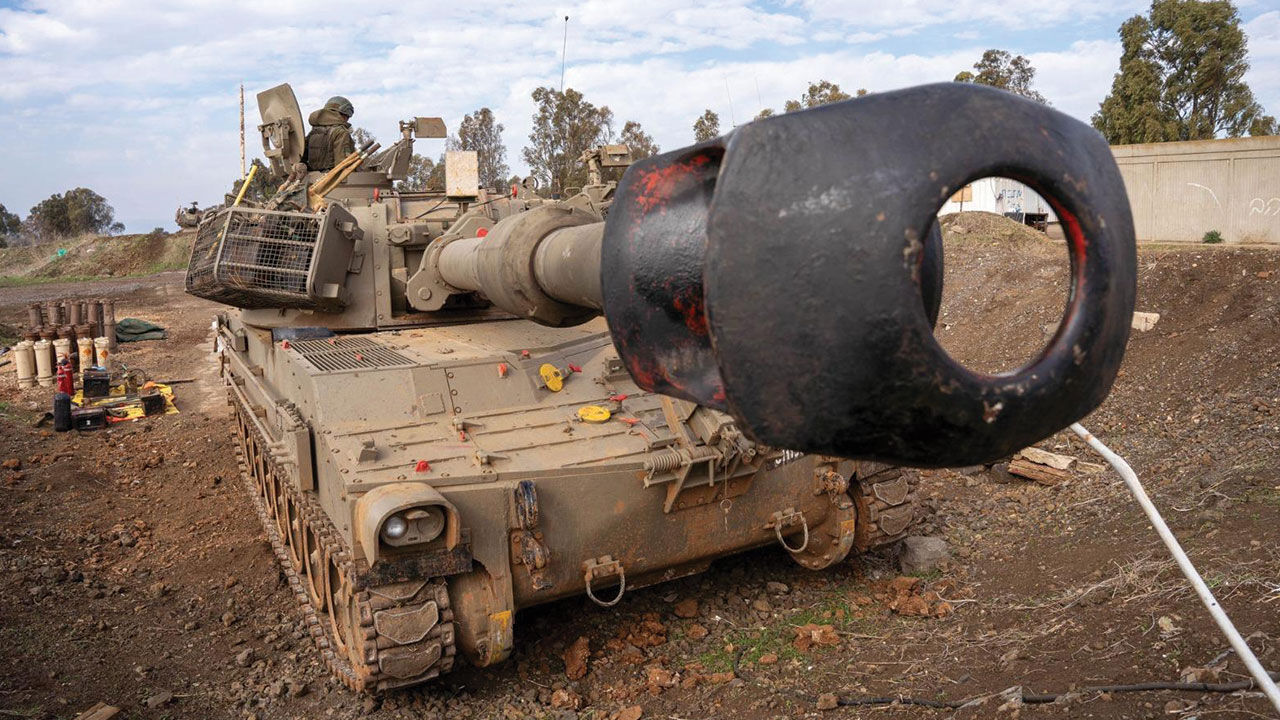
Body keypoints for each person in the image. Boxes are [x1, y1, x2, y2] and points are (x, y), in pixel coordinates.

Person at [302, 96, 355, 172]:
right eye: (347, 116)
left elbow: (302, 157)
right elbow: (343, 164)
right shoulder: (340, 132)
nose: (347, 119)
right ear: (343, 114)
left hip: (312, 178)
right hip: (333, 180)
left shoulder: (314, 132)